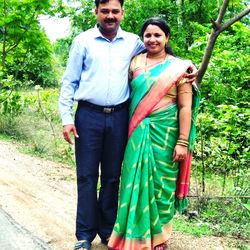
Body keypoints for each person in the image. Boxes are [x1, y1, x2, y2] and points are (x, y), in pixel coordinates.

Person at [59, 0, 197, 248]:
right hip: (88, 116)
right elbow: (69, 81)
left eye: (115, 11)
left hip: (121, 118)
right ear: (96, 12)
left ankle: (109, 231)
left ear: (122, 13)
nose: (110, 16)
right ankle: (84, 235)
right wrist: (66, 118)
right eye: (105, 11)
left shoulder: (134, 42)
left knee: (113, 177)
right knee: (87, 176)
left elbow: (166, 61)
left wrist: (190, 67)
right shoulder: (83, 41)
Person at [107, 17, 200, 250]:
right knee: (132, 180)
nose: (152, 39)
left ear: (167, 38)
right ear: (143, 38)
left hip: (167, 135)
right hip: (137, 133)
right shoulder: (135, 62)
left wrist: (182, 141)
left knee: (162, 184)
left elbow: (185, 107)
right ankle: (130, 234)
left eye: (157, 35)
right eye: (147, 35)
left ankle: (160, 237)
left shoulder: (181, 67)